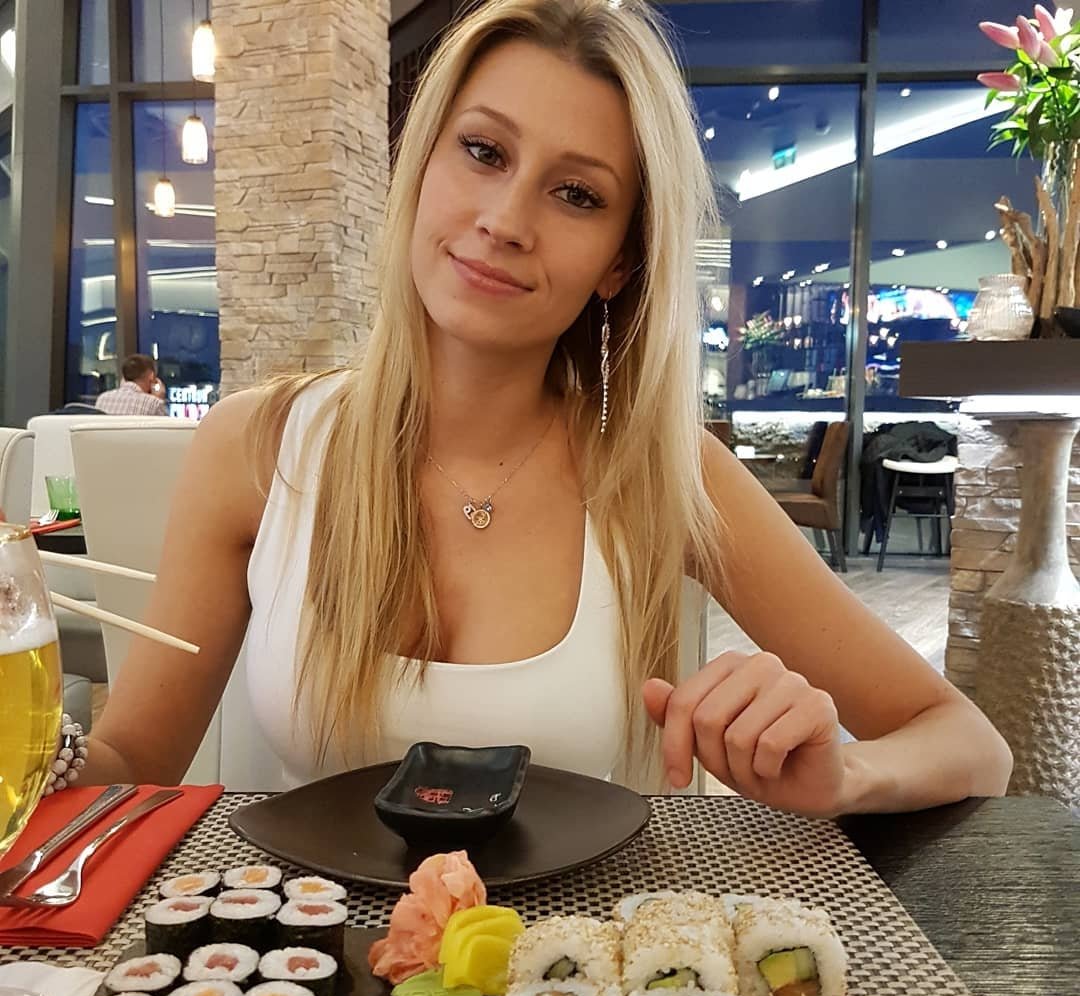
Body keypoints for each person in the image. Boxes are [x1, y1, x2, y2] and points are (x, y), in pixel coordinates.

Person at [75, 0, 1011, 816]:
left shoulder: (663, 474)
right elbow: (131, 765)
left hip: (579, 961)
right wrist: (45, 747)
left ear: (619, 263)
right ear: (420, 163)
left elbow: (968, 743)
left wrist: (846, 774)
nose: (505, 220)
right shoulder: (258, 446)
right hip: (317, 957)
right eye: (483, 152)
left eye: (576, 194)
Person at [94, 354, 168, 416]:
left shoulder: (102, 399)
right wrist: (158, 398)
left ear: (123, 377)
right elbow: (167, 428)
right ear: (151, 376)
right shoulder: (154, 404)